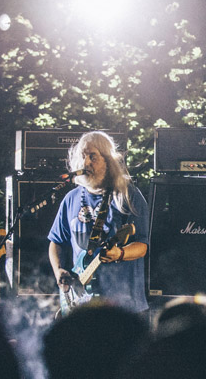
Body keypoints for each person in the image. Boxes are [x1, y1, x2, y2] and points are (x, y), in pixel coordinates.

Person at [47, 131, 149, 313]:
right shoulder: (71, 198)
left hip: (123, 306)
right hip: (82, 306)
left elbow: (143, 245)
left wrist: (120, 253)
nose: (85, 163)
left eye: (92, 156)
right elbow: (56, 242)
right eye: (82, 156)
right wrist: (59, 271)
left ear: (108, 161)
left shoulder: (128, 195)